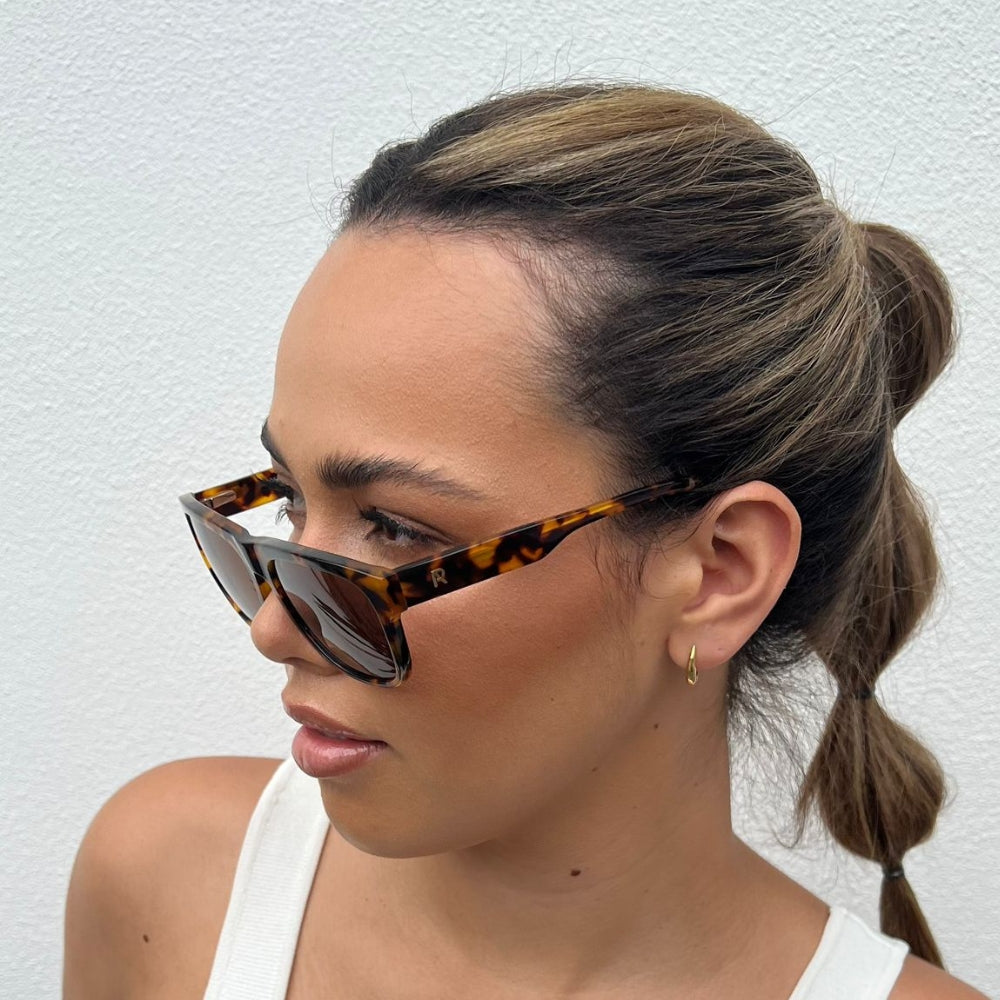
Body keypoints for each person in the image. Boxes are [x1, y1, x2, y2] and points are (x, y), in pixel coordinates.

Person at [64, 82, 987, 999]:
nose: (274, 629)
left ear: (719, 574)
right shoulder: (171, 890)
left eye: (396, 528)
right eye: (289, 504)